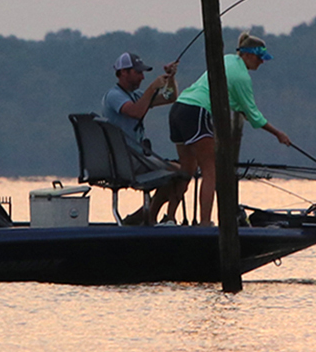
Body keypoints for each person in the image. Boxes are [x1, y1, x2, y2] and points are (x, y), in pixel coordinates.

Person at [169, 32, 291, 226]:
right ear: (248, 55)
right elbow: (253, 115)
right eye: (260, 58)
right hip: (197, 111)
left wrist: (241, 108)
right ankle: (205, 223)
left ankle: (169, 218)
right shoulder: (241, 76)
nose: (262, 62)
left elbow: (232, 100)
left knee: (187, 169)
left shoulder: (227, 59)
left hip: (179, 108)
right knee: (211, 170)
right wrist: (278, 134)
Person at [102, 52, 187, 225]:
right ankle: (151, 217)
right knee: (178, 172)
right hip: (125, 161)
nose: (142, 77)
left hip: (139, 158)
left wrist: (170, 78)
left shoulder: (136, 95)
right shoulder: (113, 96)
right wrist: (153, 87)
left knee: (182, 172)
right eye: (138, 72)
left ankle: (151, 217)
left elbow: (170, 97)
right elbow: (136, 112)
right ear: (123, 73)